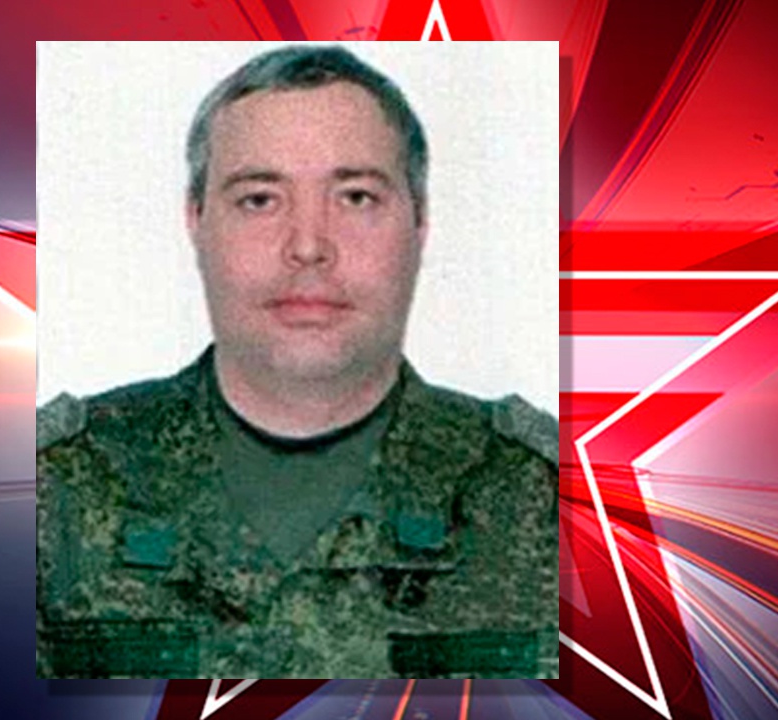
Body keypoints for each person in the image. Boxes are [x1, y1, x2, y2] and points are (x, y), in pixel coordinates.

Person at [36, 45, 558, 679]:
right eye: (260, 199)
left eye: (356, 197)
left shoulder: (554, 501)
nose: (308, 246)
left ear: (420, 224)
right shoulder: (51, 488)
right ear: (196, 221)